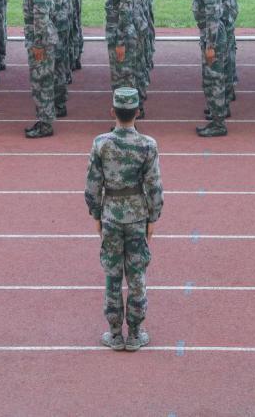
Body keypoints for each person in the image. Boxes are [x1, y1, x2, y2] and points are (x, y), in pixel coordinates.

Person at [85, 87, 163, 353]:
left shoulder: (101, 143)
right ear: (137, 112)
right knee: (137, 274)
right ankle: (136, 333)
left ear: (112, 112)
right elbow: (154, 185)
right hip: (138, 215)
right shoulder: (148, 145)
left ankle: (115, 333)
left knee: (112, 274)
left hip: (110, 215)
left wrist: (96, 213)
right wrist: (153, 217)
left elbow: (92, 185)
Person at [22, 0, 58, 138]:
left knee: (42, 83)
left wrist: (38, 44)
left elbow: (40, 18)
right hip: (42, 39)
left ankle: (45, 124)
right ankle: (43, 119)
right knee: (41, 82)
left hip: (41, 41)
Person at [192, 0, 228, 137]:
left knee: (214, 81)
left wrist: (211, 45)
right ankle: (215, 117)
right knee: (210, 80)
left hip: (212, 37)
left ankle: (218, 124)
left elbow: (213, 17)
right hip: (208, 35)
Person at [105, 0, 142, 103]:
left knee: (124, 78)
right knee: (119, 76)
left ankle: (129, 112)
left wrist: (120, 42)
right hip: (118, 34)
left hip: (122, 36)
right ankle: (125, 111)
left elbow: (125, 13)